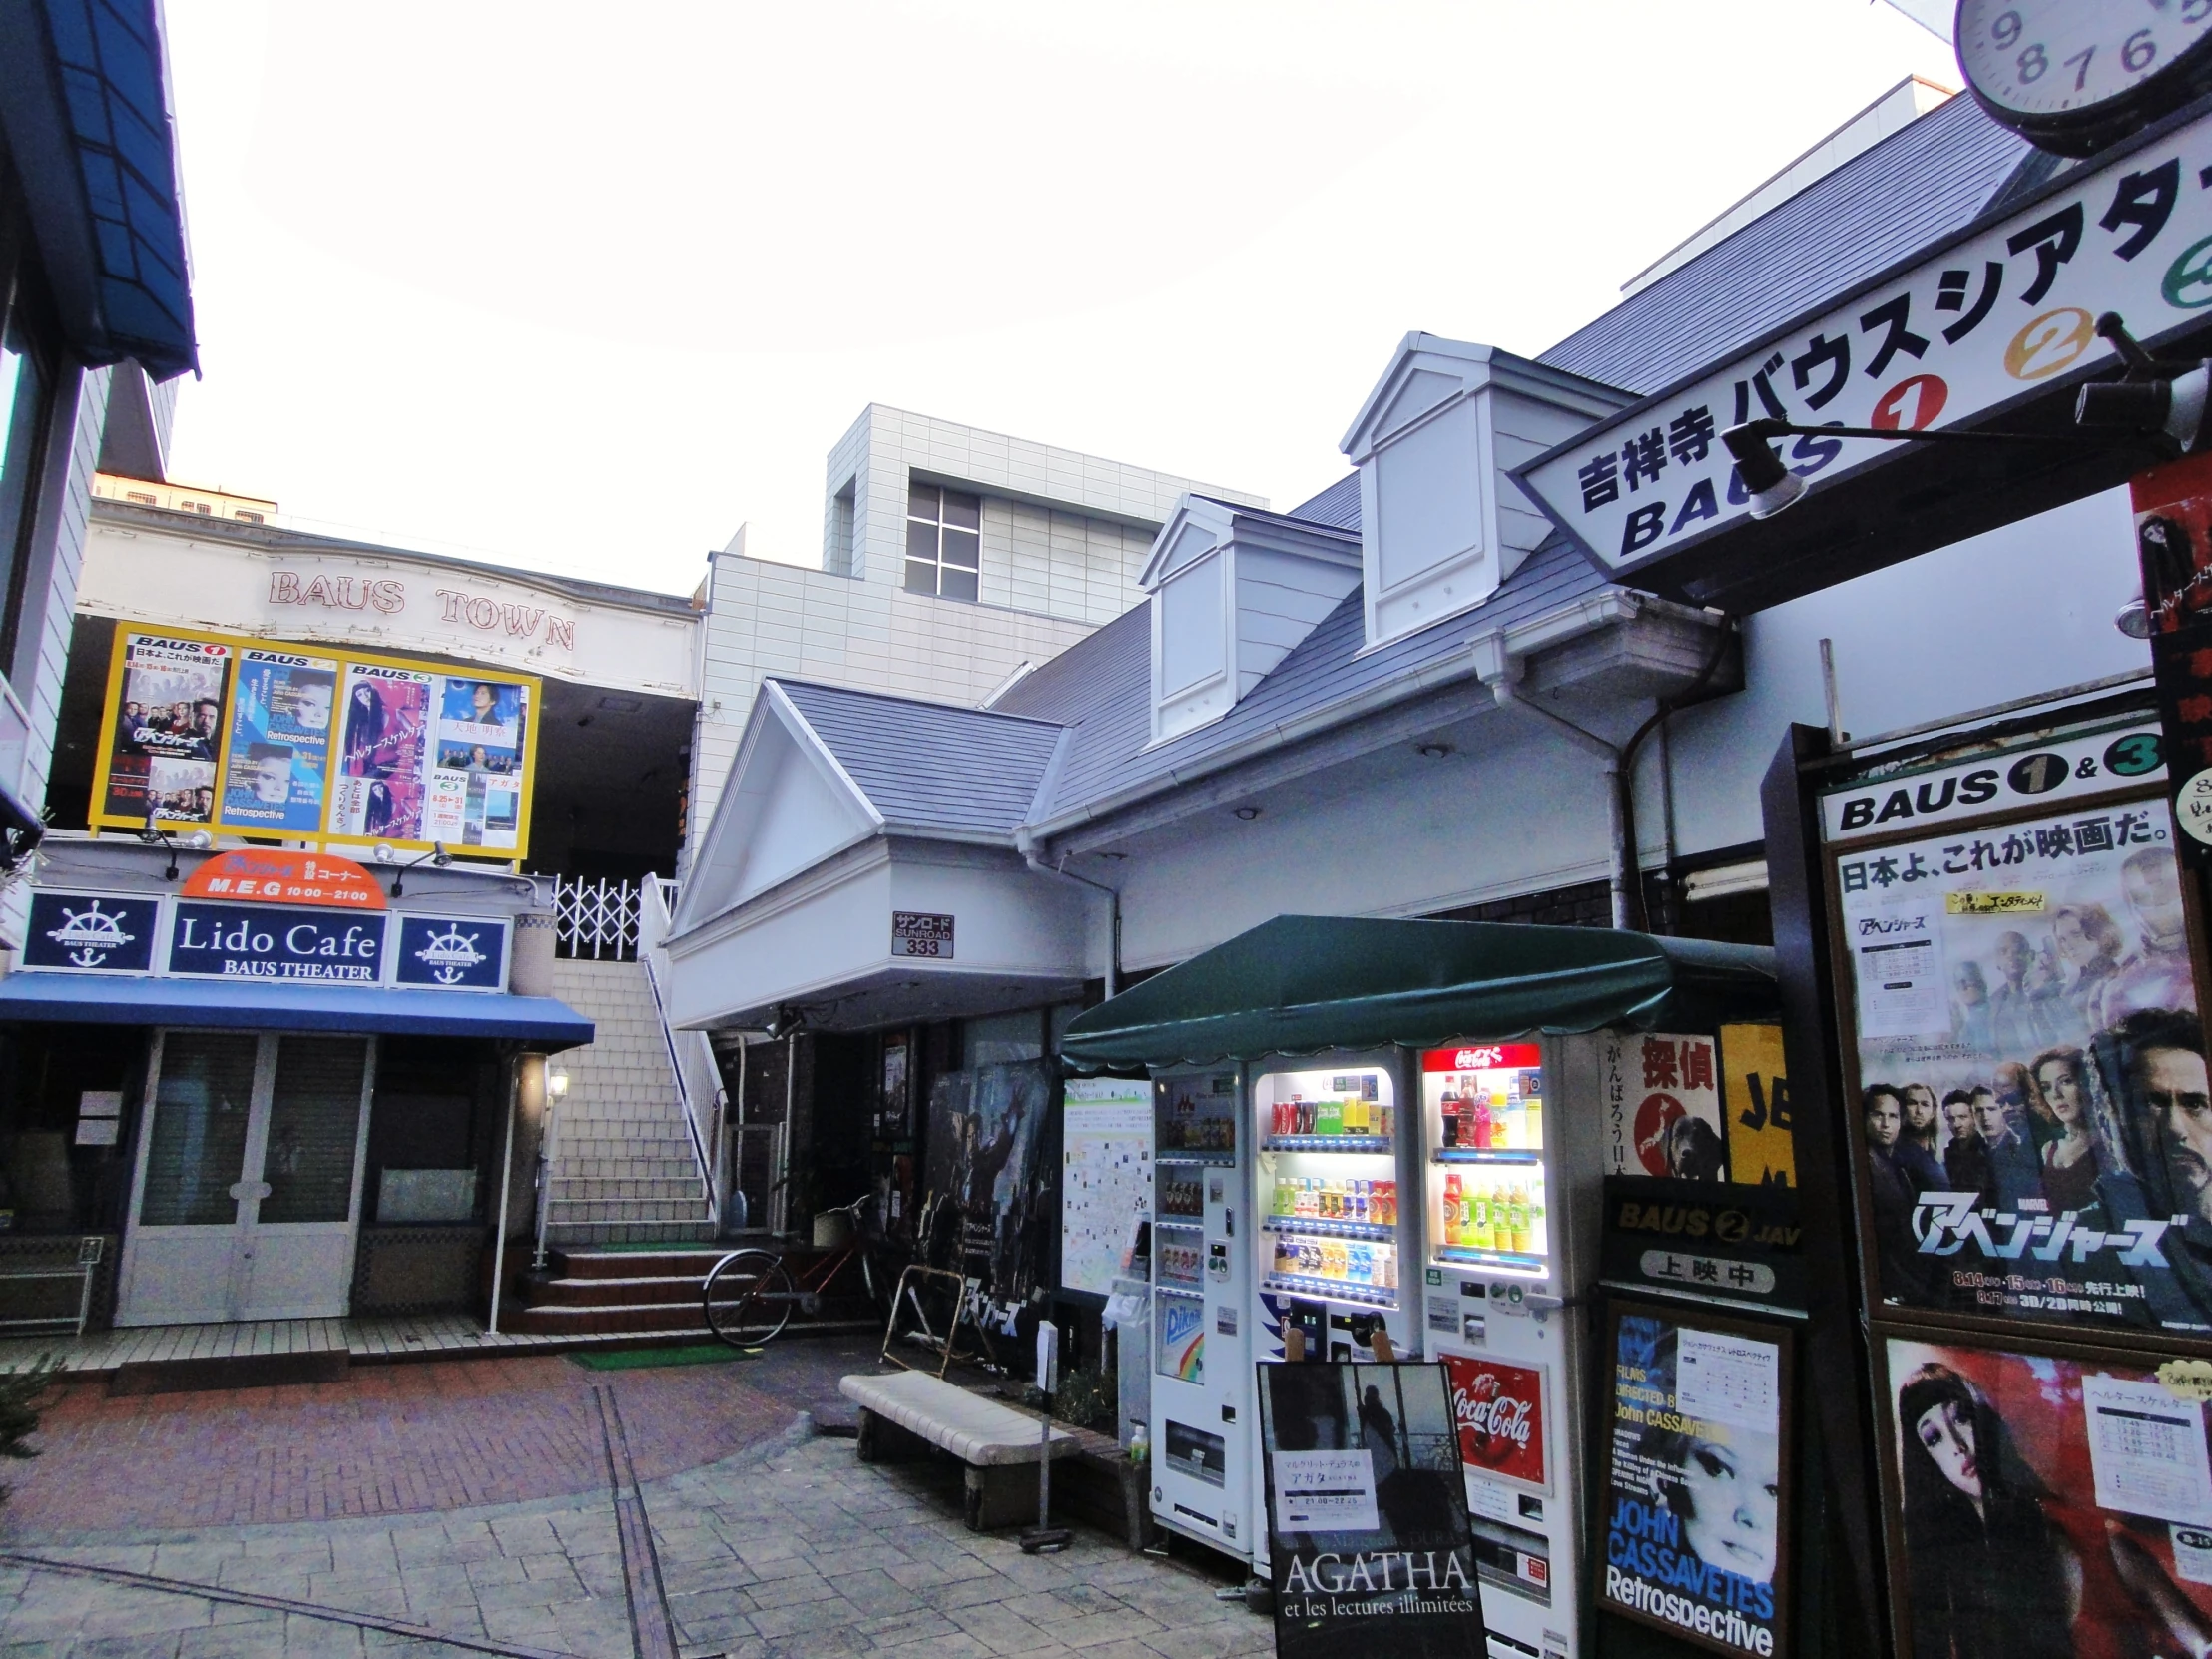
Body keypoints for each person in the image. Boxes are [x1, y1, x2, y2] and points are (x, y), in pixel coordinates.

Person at [1897, 1365, 2076, 1659]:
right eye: (1934, 1439)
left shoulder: (2051, 1531)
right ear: (1927, 1460)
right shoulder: (1934, 1556)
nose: (1957, 1446)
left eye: (1962, 1418)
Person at [2093, 848, 2197, 1031]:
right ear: (2130, 905)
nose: (2159, 902)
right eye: (2143, 897)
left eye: (2169, 890)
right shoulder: (2121, 985)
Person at [1867, 1086, 1935, 1301]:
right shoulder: (1866, 1164)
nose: (1886, 1124)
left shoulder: (1900, 1163)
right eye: (1878, 1115)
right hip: (1885, 1288)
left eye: (1893, 1116)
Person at [2030, 1048, 2101, 1216]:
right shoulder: (2049, 1150)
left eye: (2066, 1081)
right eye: (2046, 1087)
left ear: (2085, 1083)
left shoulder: (2109, 1145)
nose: (2056, 1094)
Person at [2051, 903, 2125, 1042]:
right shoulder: (2071, 988)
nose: (2069, 946)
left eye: (2077, 935)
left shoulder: (2119, 980)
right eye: (2063, 940)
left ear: (2099, 933)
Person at [1972, 1084, 2044, 1212]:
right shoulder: (1975, 1153)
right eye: (1979, 1110)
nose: (1985, 1117)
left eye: (1992, 1109)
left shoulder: (2021, 1149)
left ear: (2003, 1110)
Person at [1989, 932, 2054, 1056]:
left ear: (2031, 955)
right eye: (2004, 952)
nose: (2011, 956)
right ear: (1997, 962)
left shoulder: (2049, 991)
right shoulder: (1993, 1004)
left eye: (2018, 950)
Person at [1941, 1090, 1991, 1198]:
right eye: (1951, 1119)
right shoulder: (1949, 1154)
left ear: (1974, 1118)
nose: (1956, 1124)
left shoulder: (1988, 1153)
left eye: (1963, 1117)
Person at [1952, 962, 1995, 1052]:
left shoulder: (2000, 1014)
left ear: (1982, 983)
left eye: (1968, 980)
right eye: (1959, 984)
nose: (1964, 987)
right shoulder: (1965, 1029)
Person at [1902, 1083, 1942, 1162]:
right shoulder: (1896, 1151)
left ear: (1933, 1113)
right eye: (1912, 1103)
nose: (1919, 1111)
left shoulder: (1934, 1154)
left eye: (1924, 1104)